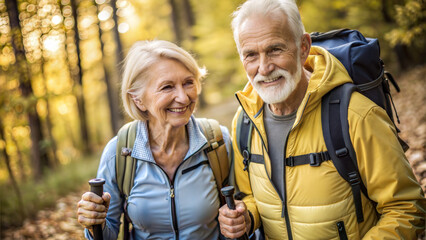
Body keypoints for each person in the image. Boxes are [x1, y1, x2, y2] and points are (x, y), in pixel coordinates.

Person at [218, 0, 426, 239]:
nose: (264, 68)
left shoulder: (355, 115)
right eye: (251, 55)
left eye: (275, 49)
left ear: (303, 46)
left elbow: (405, 207)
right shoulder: (244, 121)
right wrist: (246, 216)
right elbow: (250, 197)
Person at [77, 40, 232, 239]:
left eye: (188, 82)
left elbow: (242, 216)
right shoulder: (119, 152)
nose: (183, 98)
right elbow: (107, 234)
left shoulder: (218, 142)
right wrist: (93, 224)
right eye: (167, 87)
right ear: (138, 99)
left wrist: (241, 219)